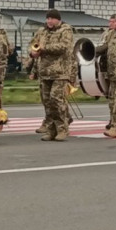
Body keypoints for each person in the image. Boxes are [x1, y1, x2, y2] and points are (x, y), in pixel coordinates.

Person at [31, 9, 75, 142]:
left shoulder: (66, 30)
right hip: (45, 72)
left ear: (58, 19)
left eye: (52, 18)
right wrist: (33, 52)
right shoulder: (42, 31)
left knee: (56, 100)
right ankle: (51, 130)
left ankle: (62, 129)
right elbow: (33, 44)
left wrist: (44, 48)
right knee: (47, 102)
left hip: (60, 72)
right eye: (48, 18)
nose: (49, 21)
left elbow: (64, 47)